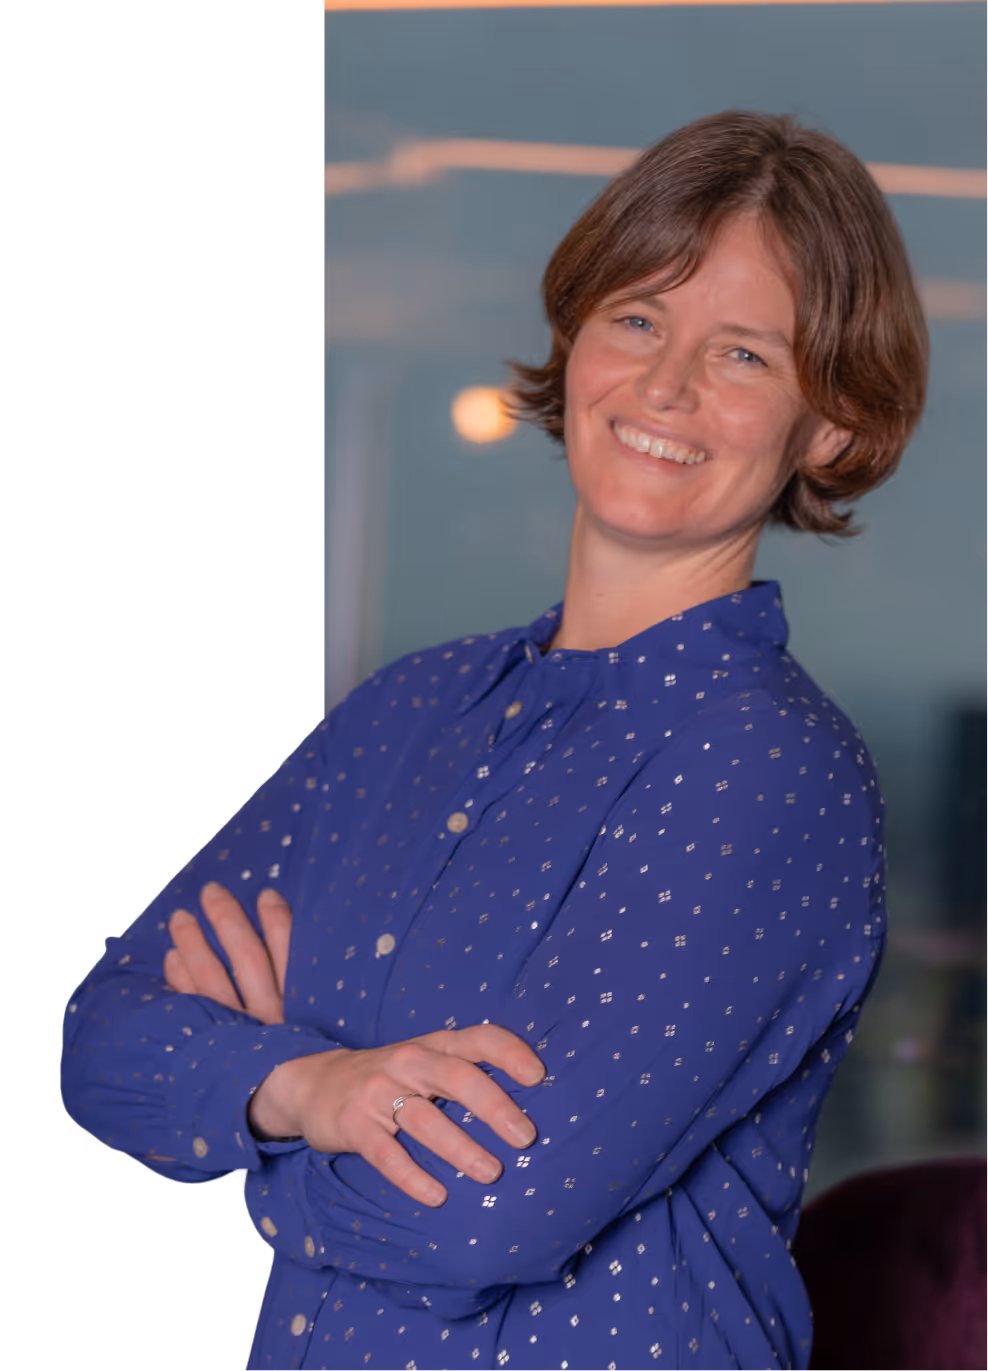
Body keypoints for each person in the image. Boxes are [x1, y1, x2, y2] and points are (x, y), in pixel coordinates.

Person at [59, 109, 928, 1370]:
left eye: (743, 353)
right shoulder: (408, 706)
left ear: (830, 425)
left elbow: (479, 1215)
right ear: (574, 341)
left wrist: (245, 1112)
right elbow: (99, 1037)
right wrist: (315, 1090)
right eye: (637, 317)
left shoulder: (768, 770)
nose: (665, 385)